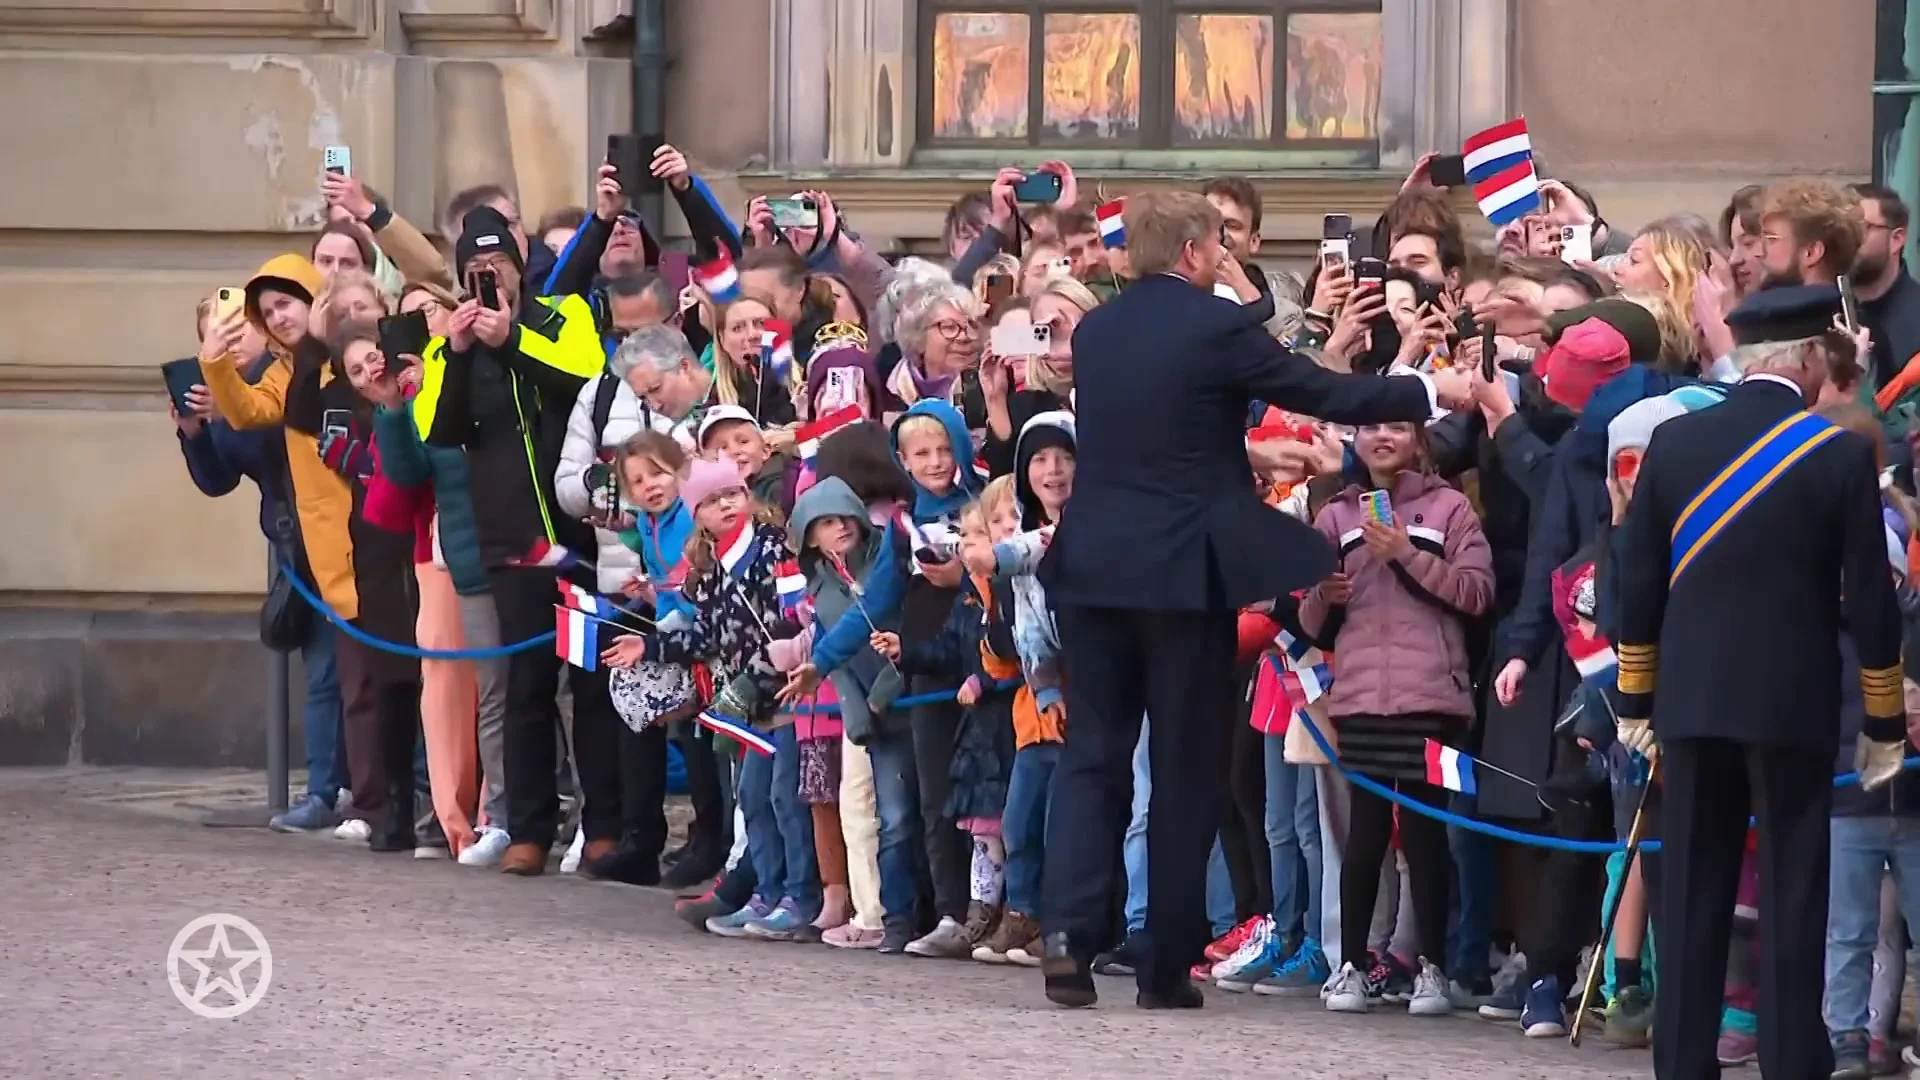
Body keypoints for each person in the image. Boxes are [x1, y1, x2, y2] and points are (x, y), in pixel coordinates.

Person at [1032, 189, 1470, 1010]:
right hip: (1182, 578)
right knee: (1186, 765)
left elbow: (1165, 430)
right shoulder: (1216, 327)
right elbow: (1323, 394)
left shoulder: (1097, 332)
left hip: (1092, 569)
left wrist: (1242, 447)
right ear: (1196, 253)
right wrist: (1421, 388)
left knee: (1092, 759)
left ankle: (1066, 936)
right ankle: (1164, 961)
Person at [1612, 285, 1909, 1079]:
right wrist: (1883, 721)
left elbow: (1635, 583)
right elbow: (1872, 602)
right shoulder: (1840, 454)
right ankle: (1791, 1064)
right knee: (1792, 897)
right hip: (1792, 705)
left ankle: (1681, 1064)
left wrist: (1636, 701)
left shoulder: (1675, 446)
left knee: (1692, 893)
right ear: (1811, 357)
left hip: (1692, 702)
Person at [1299, 421, 1494, 1017]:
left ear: (1418, 439)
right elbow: (1309, 625)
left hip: (1433, 696)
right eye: (1368, 427)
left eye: (1395, 427)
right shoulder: (1335, 515)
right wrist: (1321, 597)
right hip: (1360, 697)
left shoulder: (1451, 507)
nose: (1380, 437)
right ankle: (1352, 966)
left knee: (1426, 832)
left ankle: (1430, 966)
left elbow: (1477, 593)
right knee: (1364, 836)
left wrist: (1405, 553)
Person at [176, 298, 348, 834]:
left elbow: (280, 431)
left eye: (237, 329)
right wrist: (195, 432)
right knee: (321, 673)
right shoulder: (228, 400)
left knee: (373, 672)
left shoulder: (288, 375)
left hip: (346, 535)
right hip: (297, 548)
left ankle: (386, 790)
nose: (230, 341)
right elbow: (218, 479)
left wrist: (233, 408)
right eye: (215, 336)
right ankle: (323, 790)